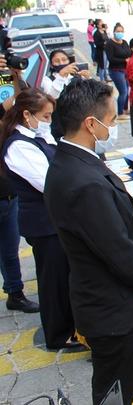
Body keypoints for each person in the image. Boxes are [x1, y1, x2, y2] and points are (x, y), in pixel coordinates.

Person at [43, 78, 133, 405]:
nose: (113, 127)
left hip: (103, 299)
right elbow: (116, 248)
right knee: (116, 391)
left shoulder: (73, 160)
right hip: (110, 309)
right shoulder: (82, 183)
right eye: (111, 121)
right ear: (90, 124)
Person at [0, 89, 79, 349]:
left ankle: (68, 326)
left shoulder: (35, 136)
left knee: (61, 275)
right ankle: (58, 335)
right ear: (26, 114)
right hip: (43, 223)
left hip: (52, 220)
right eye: (44, 116)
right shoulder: (19, 146)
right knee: (52, 280)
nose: (48, 121)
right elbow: (48, 183)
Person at [0, 59, 38, 314]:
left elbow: (23, 101)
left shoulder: (9, 123)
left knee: (10, 249)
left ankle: (15, 292)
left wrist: (15, 75)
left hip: (6, 195)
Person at [105, 23, 132, 118]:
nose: (120, 33)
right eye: (118, 31)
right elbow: (111, 58)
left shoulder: (124, 42)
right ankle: (120, 113)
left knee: (128, 90)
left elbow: (129, 52)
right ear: (114, 32)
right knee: (123, 91)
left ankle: (126, 109)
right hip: (116, 70)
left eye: (121, 31)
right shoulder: (110, 44)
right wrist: (124, 60)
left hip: (126, 70)